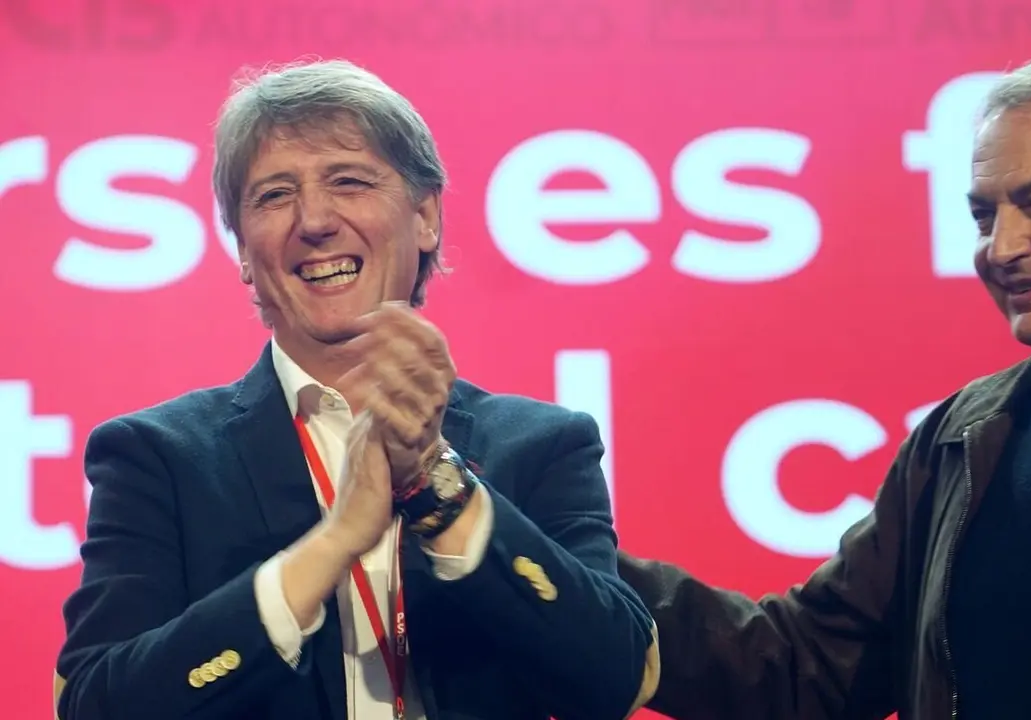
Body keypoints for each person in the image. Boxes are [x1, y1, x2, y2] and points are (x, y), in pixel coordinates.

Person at [619, 49, 1031, 720]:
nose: (1002, 247)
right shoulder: (960, 440)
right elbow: (803, 663)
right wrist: (549, 562)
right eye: (984, 216)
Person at [54, 59, 659, 720]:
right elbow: (95, 706)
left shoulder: (544, 446)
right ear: (245, 258)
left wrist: (440, 489)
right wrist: (331, 545)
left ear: (425, 217)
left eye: (348, 181)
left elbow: (615, 678)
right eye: (274, 195)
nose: (314, 220)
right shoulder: (156, 458)